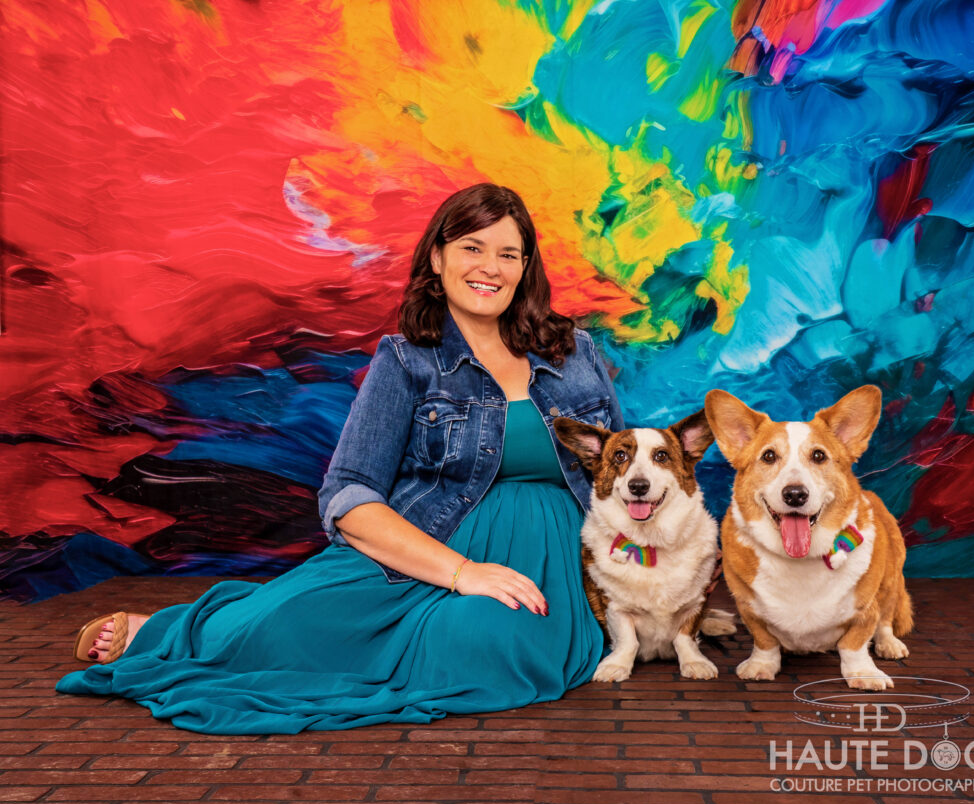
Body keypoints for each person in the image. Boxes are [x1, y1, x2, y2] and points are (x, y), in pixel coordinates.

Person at [57, 182, 624, 734]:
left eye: (508, 254)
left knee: (482, 647)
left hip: (552, 565)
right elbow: (349, 494)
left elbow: (630, 474)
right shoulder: (406, 361)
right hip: (435, 550)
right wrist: (462, 572)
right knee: (289, 624)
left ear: (526, 268)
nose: (490, 268)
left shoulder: (574, 353)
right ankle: (171, 631)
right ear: (437, 257)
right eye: (472, 248)